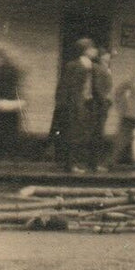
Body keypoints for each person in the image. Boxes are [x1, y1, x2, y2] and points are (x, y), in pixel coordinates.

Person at [51, 38, 97, 174]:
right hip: (75, 104)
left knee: (82, 133)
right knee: (72, 133)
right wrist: (64, 104)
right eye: (92, 48)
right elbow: (64, 86)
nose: (95, 51)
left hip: (88, 103)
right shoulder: (73, 65)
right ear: (86, 50)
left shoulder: (92, 67)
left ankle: (76, 162)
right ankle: (70, 164)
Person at [0, 49, 24, 161]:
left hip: (1, 105)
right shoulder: (14, 70)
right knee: (10, 130)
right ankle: (7, 155)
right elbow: (16, 88)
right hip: (11, 105)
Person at [89, 47, 115, 171]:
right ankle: (94, 162)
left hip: (103, 103)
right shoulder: (98, 68)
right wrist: (104, 101)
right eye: (106, 55)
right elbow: (98, 87)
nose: (109, 57)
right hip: (98, 105)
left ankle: (95, 161)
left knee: (99, 132)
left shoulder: (105, 68)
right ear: (101, 57)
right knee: (97, 132)